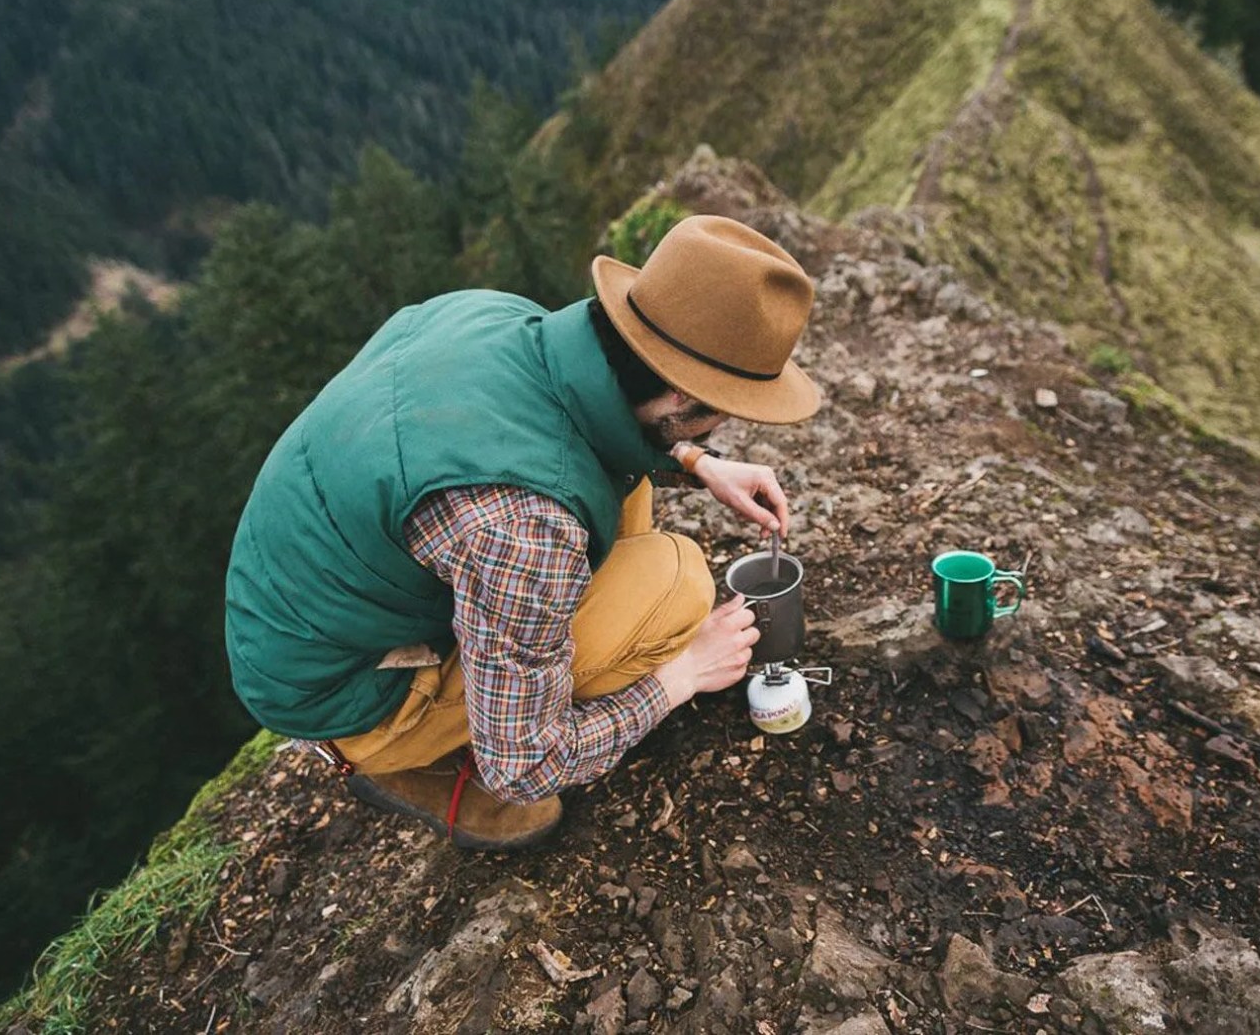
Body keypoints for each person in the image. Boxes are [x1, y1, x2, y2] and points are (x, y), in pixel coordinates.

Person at [224, 215, 822, 850]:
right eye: (725, 408)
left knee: (625, 488)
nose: (725, 424)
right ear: (679, 395)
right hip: (345, 688)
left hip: (302, 611)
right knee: (676, 582)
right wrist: (683, 674)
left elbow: (581, 417)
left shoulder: (496, 316)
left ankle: (520, 653)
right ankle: (402, 756)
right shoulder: (524, 528)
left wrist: (699, 461)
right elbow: (523, 767)